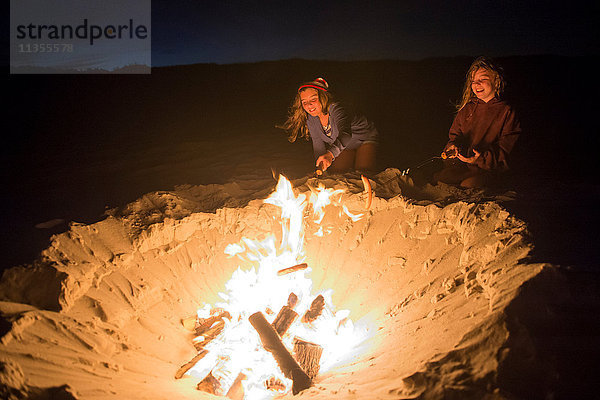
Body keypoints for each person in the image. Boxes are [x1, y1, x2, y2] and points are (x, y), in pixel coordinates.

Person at [434, 56, 521, 188]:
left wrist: (481, 158)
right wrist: (453, 147)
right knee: (440, 179)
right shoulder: (468, 108)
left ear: (496, 81)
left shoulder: (506, 110)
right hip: (466, 167)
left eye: (482, 79)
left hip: (490, 168)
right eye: (473, 81)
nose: (476, 84)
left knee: (469, 184)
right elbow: (455, 136)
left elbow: (507, 148)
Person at [279, 77, 379, 173]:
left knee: (363, 173)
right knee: (337, 174)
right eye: (304, 102)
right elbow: (318, 144)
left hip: (364, 139)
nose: (308, 105)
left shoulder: (336, 109)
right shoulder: (311, 119)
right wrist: (320, 167)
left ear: (323, 97)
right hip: (345, 145)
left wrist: (330, 154)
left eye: (313, 100)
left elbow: (346, 134)